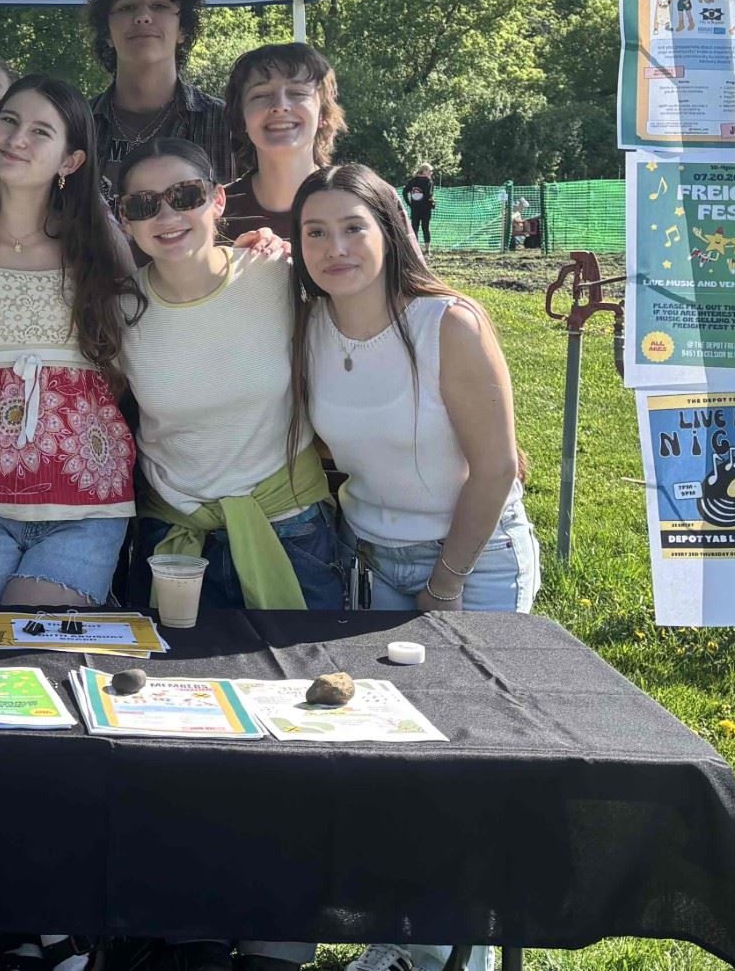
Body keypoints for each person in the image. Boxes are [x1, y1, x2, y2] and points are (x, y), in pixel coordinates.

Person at [290, 162, 536, 971]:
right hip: (369, 560)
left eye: (352, 228)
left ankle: (459, 949)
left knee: (470, 754)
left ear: (390, 231)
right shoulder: (309, 326)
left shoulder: (447, 323)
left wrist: (445, 585)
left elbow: (495, 468)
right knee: (398, 759)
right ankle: (416, 939)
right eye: (315, 232)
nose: (335, 248)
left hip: (472, 562)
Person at [0, 75, 137, 607]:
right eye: (10, 121)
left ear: (71, 160)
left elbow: (135, 350)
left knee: (29, 636)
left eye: (41, 131)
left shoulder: (98, 240)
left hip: (85, 500)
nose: (17, 138)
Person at [115, 138, 341, 613]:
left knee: (306, 663)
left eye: (185, 196)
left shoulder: (277, 274)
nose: (167, 215)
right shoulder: (119, 310)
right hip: (175, 537)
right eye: (143, 204)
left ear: (217, 199)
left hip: (290, 525)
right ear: (125, 219)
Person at [83, 0, 229, 194]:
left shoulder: (226, 124)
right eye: (126, 7)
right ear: (106, 33)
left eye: (160, 6)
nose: (142, 17)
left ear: (183, 30)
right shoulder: (77, 126)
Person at [219, 42, 347, 242]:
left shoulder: (365, 202)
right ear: (241, 117)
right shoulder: (213, 213)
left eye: (297, 93)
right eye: (261, 95)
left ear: (323, 113)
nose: (280, 106)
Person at [402, 165, 435, 247]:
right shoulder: (429, 181)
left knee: (414, 229)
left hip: (415, 208)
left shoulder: (413, 180)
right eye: (430, 171)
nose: (431, 173)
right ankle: (427, 250)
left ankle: (416, 249)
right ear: (424, 171)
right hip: (426, 209)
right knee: (426, 228)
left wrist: (409, 203)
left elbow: (404, 192)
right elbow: (429, 195)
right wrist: (432, 202)